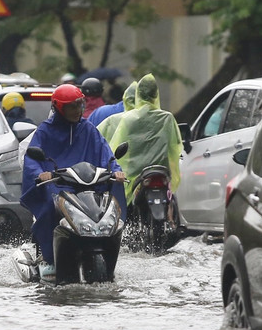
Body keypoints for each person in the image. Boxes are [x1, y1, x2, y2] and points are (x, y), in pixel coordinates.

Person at [21, 83, 126, 280]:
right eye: (72, 106)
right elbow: (32, 157)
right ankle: (48, 256)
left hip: (88, 186)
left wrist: (117, 171)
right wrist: (41, 173)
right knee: (49, 209)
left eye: (80, 105)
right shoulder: (45, 130)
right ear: (59, 108)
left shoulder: (88, 129)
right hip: (58, 187)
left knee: (106, 207)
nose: (77, 110)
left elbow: (107, 154)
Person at [99, 74, 181, 205]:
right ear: (156, 94)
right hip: (162, 171)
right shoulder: (167, 117)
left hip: (132, 176)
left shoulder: (128, 119)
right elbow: (175, 145)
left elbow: (117, 144)